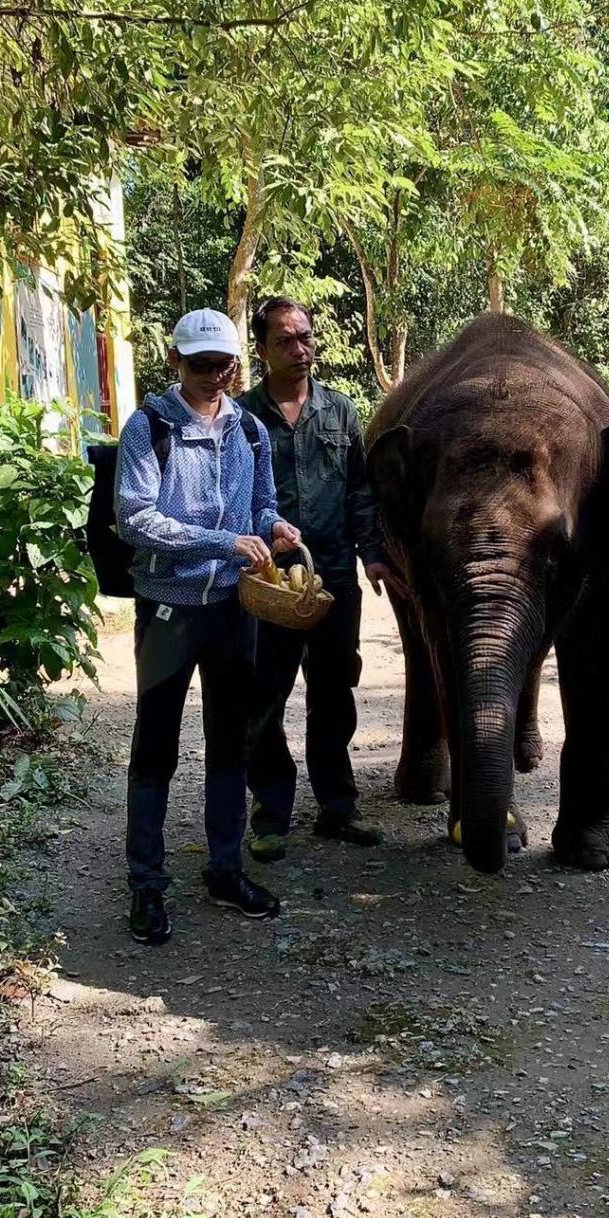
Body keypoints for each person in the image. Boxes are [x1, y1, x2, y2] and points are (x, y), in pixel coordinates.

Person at [115, 308, 301, 945]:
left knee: (230, 742)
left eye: (223, 364)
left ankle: (225, 868)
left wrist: (274, 527)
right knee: (156, 745)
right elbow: (136, 519)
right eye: (200, 364)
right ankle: (146, 882)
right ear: (175, 361)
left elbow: (262, 504)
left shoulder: (249, 429)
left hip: (231, 608)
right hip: (168, 610)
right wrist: (223, 543)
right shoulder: (149, 427)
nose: (213, 375)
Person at [239, 296, 395, 860]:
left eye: (305, 338)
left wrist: (372, 554)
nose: (300, 350)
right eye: (285, 341)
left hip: (332, 577)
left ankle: (337, 807)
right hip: (268, 581)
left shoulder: (340, 411)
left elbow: (360, 489)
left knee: (333, 692)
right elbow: (231, 493)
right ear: (262, 349)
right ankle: (271, 814)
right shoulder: (242, 416)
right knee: (265, 697)